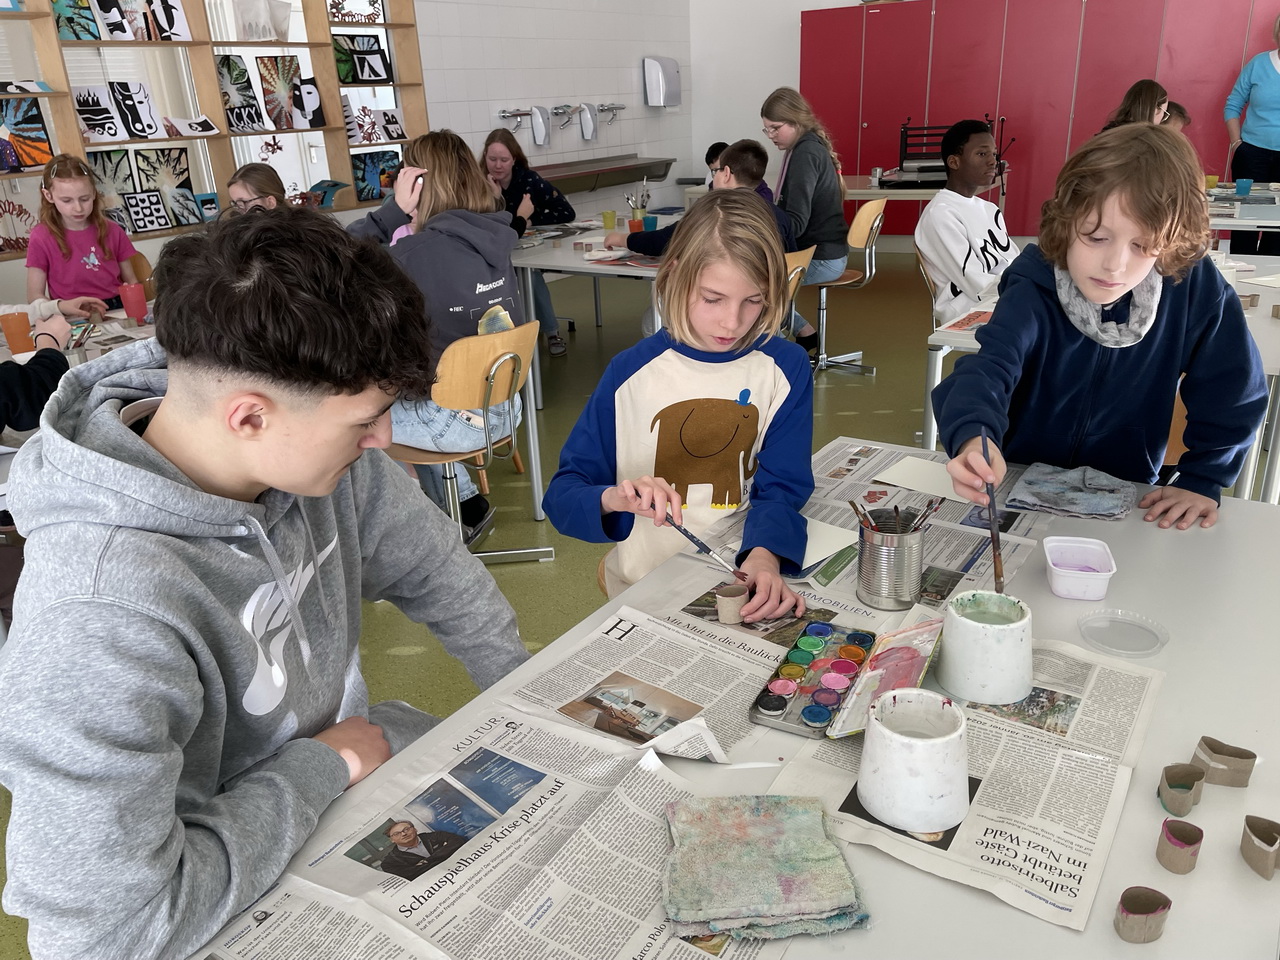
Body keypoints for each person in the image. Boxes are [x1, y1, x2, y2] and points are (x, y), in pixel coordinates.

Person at [0, 207, 528, 960]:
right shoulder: (95, 613)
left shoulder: (319, 459)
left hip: (334, 806)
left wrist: (524, 697)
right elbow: (103, 937)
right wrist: (323, 766)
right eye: (366, 422)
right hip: (212, 913)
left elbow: (436, 567)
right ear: (249, 417)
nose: (382, 439)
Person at [933, 124, 1267, 532]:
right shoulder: (1035, 284)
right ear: (1066, 220)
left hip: (1129, 497)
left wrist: (1204, 477)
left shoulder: (1192, 288)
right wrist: (974, 437)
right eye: (1095, 237)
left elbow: (1234, 388)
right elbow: (989, 369)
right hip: (1019, 483)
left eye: (1142, 246)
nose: (1115, 266)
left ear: (1170, 242)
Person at [544, 190, 813, 617]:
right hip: (643, 587)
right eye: (712, 299)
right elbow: (563, 496)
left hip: (735, 582)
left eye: (754, 300)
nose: (732, 322)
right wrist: (614, 497)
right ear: (673, 278)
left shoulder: (786, 366)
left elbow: (782, 486)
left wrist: (764, 555)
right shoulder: (628, 373)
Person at [348, 131, 524, 539]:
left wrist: (389, 215)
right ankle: (463, 504)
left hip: (455, 418)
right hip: (503, 403)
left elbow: (330, 262)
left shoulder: (413, 254)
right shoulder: (495, 236)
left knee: (354, 419)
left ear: (418, 183)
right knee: (412, 393)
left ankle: (419, 525)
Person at [760, 87, 848, 353]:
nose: (771, 135)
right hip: (827, 251)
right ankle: (804, 333)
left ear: (795, 122)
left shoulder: (805, 154)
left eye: (775, 128)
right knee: (759, 275)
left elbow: (795, 224)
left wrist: (760, 218)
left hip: (821, 257)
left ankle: (771, 354)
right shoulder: (807, 146)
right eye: (767, 130)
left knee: (755, 281)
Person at [480, 128, 575, 357]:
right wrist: (493, 199)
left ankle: (552, 331)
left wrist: (531, 219)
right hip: (491, 249)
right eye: (492, 159)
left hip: (523, 246)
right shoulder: (478, 183)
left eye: (504, 160)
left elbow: (566, 212)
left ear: (514, 159)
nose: (498, 165)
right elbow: (481, 221)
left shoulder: (529, 181)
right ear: (484, 158)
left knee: (530, 275)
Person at [915, 120, 1018, 324]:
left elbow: (1013, 262)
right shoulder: (941, 214)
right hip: (968, 307)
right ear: (954, 162)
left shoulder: (990, 209)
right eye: (982, 154)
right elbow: (976, 284)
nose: (992, 161)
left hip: (1003, 295)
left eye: (994, 154)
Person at [26, 154, 138, 311]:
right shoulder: (41, 237)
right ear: (48, 196)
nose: (78, 208)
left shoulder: (113, 230)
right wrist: (59, 308)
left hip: (116, 306)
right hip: (70, 310)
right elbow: (34, 296)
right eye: (67, 201)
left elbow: (132, 281)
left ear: (93, 193)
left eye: (84, 199)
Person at [1226, 16, 1280, 255]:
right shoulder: (1258, 64)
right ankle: (1238, 276)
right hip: (1251, 154)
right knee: (1244, 219)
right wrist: (1237, 143)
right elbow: (1232, 104)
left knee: (1277, 227)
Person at [380, 820, 468, 881]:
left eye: (406, 829)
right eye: (397, 834)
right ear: (392, 840)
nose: (403, 834)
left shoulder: (435, 836)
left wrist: (427, 861)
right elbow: (412, 876)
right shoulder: (390, 863)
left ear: (415, 829)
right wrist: (443, 852)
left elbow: (457, 841)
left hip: (463, 870)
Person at [1101, 79, 1169, 131]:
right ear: (1156, 109)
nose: (1162, 119)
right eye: (1164, 112)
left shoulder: (1109, 130)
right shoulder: (1146, 141)